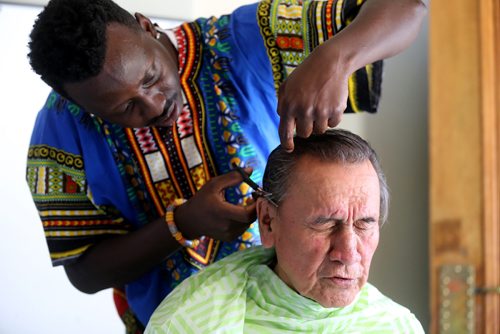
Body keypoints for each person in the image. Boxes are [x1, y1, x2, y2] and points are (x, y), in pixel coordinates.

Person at [26, 0, 427, 331]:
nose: (154, 105)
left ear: (147, 27)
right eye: (124, 108)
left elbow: (405, 8)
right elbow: (84, 273)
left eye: (150, 78)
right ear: (81, 105)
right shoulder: (61, 130)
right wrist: (181, 224)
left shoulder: (243, 43)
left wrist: (335, 58)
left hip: (299, 307)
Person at [145, 128, 425, 333]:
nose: (349, 253)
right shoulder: (189, 324)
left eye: (365, 223)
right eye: (325, 223)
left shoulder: (398, 327)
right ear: (268, 221)